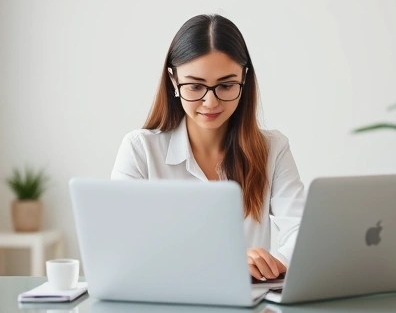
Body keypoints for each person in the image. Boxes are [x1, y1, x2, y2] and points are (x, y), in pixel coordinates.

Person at [111, 14, 305, 281]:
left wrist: (275, 263)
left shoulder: (273, 148)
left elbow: (303, 231)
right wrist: (228, 263)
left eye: (226, 85)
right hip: (166, 306)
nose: (210, 102)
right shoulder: (140, 150)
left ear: (244, 79)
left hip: (248, 310)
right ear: (173, 81)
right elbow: (121, 248)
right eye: (195, 86)